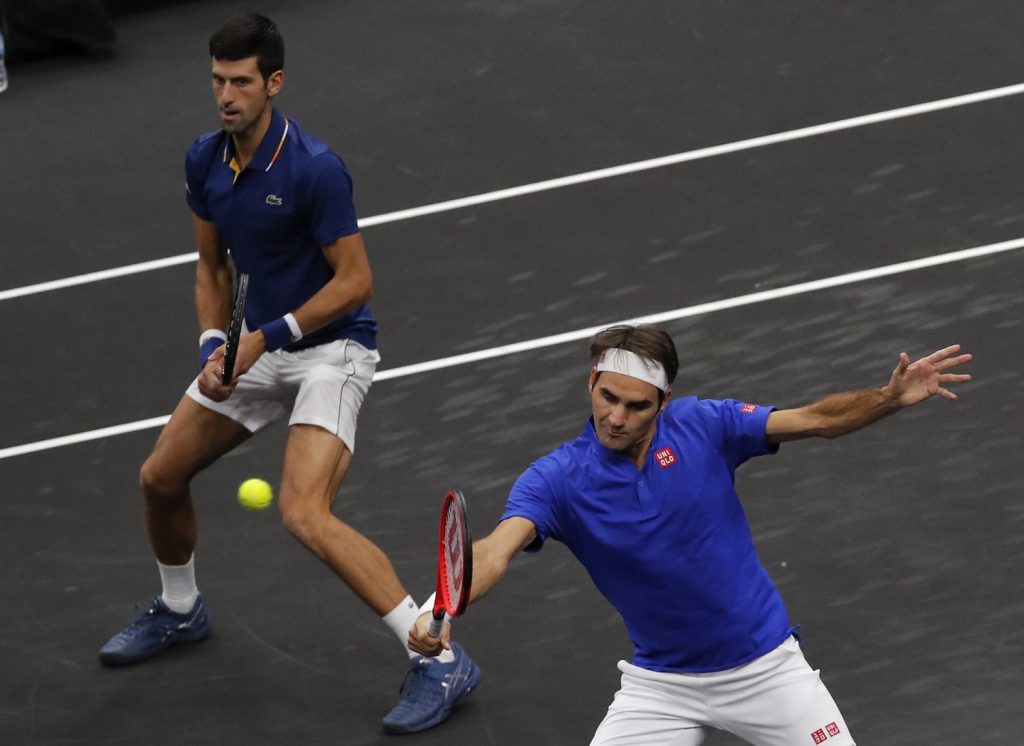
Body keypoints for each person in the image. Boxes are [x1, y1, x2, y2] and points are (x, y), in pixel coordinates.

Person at [98, 13, 479, 734]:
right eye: (217, 80)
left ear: (273, 82)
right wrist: (217, 341)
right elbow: (211, 266)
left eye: (241, 81)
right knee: (159, 477)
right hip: (252, 347)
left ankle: (437, 658)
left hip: (332, 351)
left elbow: (356, 282)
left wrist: (264, 338)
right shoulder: (204, 161)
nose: (226, 95)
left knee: (303, 512)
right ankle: (181, 609)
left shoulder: (314, 167)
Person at [408, 323, 973, 745]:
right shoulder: (556, 479)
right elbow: (494, 549)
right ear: (591, 383)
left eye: (635, 406)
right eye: (607, 398)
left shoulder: (707, 424)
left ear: (663, 403)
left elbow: (816, 420)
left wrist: (888, 397)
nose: (616, 417)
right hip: (661, 686)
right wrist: (442, 604)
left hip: (767, 671)